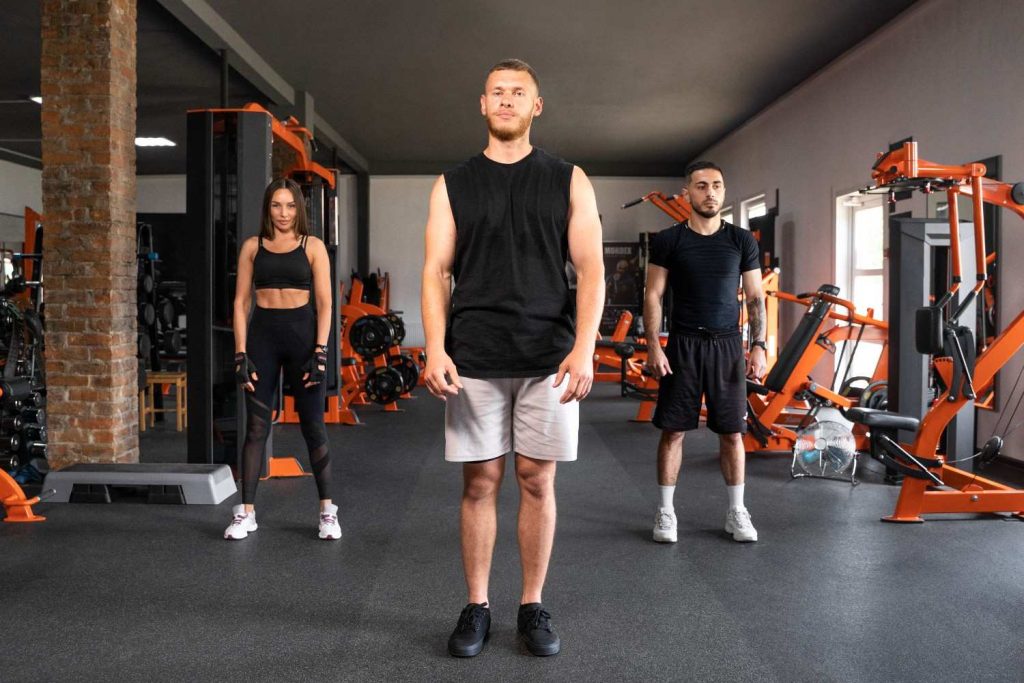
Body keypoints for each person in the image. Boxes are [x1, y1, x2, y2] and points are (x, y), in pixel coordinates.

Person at [421, 58, 603, 658]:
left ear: (536, 106)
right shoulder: (453, 183)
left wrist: (584, 347)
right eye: (496, 91)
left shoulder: (568, 179)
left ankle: (531, 605)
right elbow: (436, 270)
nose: (506, 99)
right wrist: (435, 346)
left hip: (549, 356)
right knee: (480, 482)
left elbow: (592, 269)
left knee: (536, 479)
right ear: (482, 104)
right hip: (474, 354)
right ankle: (477, 605)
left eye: (517, 92)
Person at [643, 161, 766, 544]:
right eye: (701, 186)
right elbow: (653, 295)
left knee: (733, 433)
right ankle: (666, 512)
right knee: (673, 431)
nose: (710, 192)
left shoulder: (741, 240)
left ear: (723, 191)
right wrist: (653, 345)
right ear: (687, 193)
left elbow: (755, 297)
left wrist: (759, 345)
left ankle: (736, 511)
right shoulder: (669, 240)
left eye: (716, 185)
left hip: (728, 345)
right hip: (683, 344)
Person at [224, 178, 340, 541]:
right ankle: (246, 513)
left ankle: (327, 512)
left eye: (290, 206)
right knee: (256, 428)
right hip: (263, 338)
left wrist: (320, 351)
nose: (284, 213)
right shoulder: (253, 247)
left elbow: (325, 304)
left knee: (313, 426)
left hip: (303, 337)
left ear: (298, 209)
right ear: (268, 208)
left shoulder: (312, 247)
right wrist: (240, 353)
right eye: (277, 205)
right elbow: (241, 303)